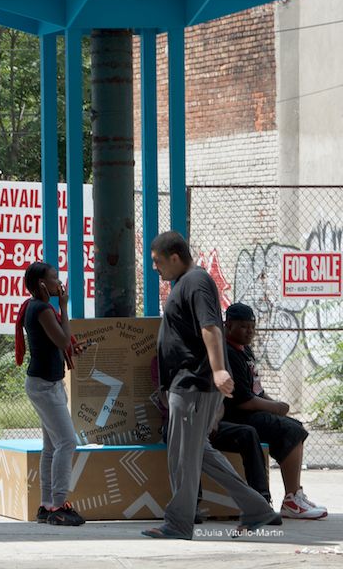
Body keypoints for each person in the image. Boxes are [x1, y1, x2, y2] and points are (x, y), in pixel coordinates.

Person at [142, 231, 277, 540]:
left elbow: (211, 327)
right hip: (188, 386)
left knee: (183, 458)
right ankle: (256, 508)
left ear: (174, 257)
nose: (155, 268)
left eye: (157, 261)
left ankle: (178, 524)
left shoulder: (197, 281)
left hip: (194, 385)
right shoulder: (187, 283)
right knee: (198, 454)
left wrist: (218, 371)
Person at [224, 302, 328, 520]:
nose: (249, 331)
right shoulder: (227, 353)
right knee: (291, 430)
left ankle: (295, 493)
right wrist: (275, 408)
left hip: (251, 411)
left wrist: (277, 406)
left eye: (252, 326)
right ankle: (291, 500)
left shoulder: (246, 350)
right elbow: (242, 400)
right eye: (243, 326)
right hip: (234, 417)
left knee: (294, 426)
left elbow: (257, 391)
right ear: (229, 325)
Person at [15, 261, 85, 526]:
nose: (59, 282)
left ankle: (46, 505)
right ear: (42, 284)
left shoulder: (38, 308)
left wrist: (67, 347)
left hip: (47, 384)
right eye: (54, 278)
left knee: (52, 447)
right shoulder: (43, 309)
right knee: (67, 442)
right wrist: (64, 306)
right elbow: (63, 340)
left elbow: (59, 343)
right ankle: (57, 504)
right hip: (45, 386)